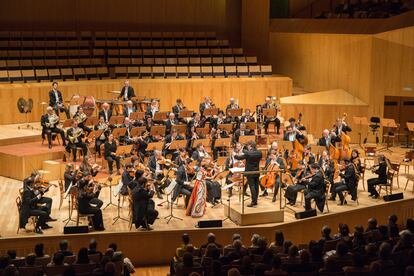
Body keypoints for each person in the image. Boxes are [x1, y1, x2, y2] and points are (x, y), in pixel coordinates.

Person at [234, 141, 263, 207]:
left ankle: (253, 201)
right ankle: (255, 201)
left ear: (250, 146)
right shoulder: (259, 153)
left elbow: (239, 158)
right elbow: (249, 153)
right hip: (256, 172)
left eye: (248, 146)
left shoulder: (248, 153)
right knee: (256, 186)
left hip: (250, 172)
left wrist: (234, 155)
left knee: (252, 186)